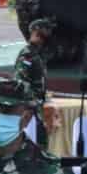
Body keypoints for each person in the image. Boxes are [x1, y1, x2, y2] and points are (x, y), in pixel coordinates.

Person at [15, 18, 55, 147]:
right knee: (33, 142)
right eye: (45, 31)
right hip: (29, 108)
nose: (48, 35)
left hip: (38, 106)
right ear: (36, 33)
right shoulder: (27, 55)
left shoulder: (38, 54)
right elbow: (21, 83)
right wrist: (32, 104)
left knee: (41, 142)